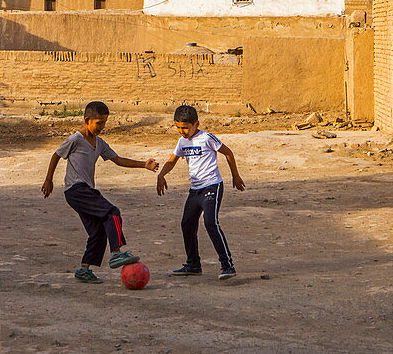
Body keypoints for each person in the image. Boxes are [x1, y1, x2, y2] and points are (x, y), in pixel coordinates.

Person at [41, 101, 158, 283]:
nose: (102, 127)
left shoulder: (100, 143)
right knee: (112, 212)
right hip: (76, 189)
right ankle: (116, 253)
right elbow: (56, 155)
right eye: (99, 123)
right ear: (87, 120)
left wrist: (144, 165)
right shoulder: (75, 139)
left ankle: (83, 269)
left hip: (85, 191)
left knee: (98, 232)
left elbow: (118, 159)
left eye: (104, 123)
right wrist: (49, 180)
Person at [156, 104, 245, 281]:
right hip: (195, 190)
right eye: (178, 127)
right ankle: (193, 264)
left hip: (212, 186)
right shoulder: (182, 142)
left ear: (196, 123)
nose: (182, 131)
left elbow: (228, 153)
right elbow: (172, 160)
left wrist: (235, 176)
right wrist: (161, 174)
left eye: (186, 128)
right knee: (187, 224)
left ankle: (227, 265)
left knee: (210, 223)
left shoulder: (206, 138)